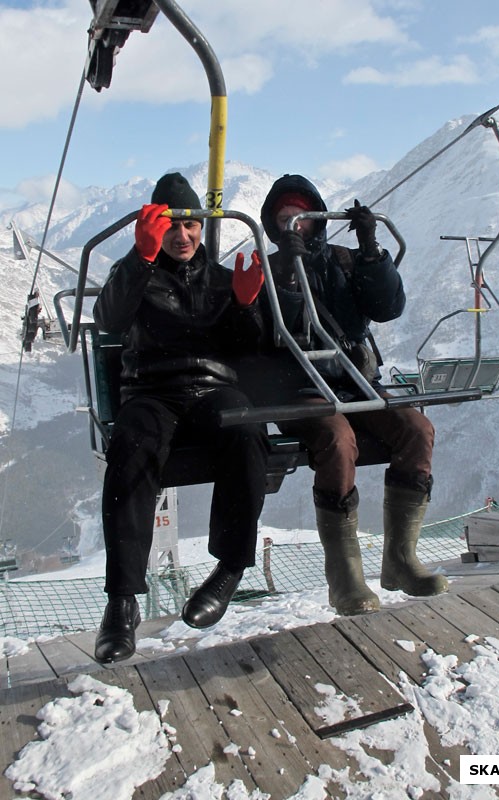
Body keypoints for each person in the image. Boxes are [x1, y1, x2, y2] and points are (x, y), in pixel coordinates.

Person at [93, 172, 269, 663]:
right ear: (154, 229)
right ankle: (122, 601)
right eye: (171, 227)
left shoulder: (216, 277)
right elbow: (107, 320)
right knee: (132, 446)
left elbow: (245, 347)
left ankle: (230, 568)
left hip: (213, 389)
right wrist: (139, 259)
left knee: (248, 430)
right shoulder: (138, 273)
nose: (183, 236)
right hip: (154, 390)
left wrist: (245, 304)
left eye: (190, 225)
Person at [260, 174, 448, 616]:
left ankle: (400, 559)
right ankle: (344, 576)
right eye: (286, 219)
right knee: (338, 440)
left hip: (356, 381)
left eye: (302, 217)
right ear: (273, 224)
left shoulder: (343, 261)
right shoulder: (268, 268)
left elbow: (387, 308)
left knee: (416, 429)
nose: (295, 226)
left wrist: (370, 252)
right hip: (301, 389)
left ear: (319, 219)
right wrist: (287, 273)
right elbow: (268, 332)